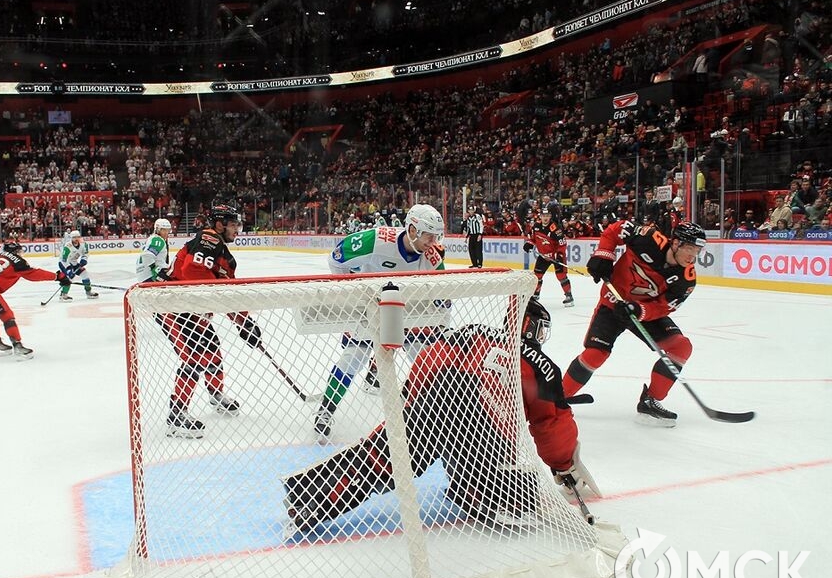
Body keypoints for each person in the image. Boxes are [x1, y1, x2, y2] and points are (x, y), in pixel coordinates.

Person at [283, 298, 600, 534]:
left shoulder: (473, 332)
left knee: (387, 458)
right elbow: (550, 426)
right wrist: (563, 465)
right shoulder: (541, 365)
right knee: (523, 494)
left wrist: (414, 408)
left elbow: (429, 360)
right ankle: (476, 492)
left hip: (437, 393)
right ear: (533, 327)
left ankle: (307, 492)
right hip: (481, 427)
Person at [313, 203, 446, 442]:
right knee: (353, 358)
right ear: (413, 230)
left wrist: (438, 311)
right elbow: (337, 258)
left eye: (437, 235)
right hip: (369, 308)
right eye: (429, 235)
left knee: (426, 359)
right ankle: (326, 409)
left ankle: (439, 413)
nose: (433, 241)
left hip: (407, 312)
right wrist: (353, 293)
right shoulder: (375, 240)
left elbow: (442, 298)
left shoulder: (432, 256)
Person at [562, 221, 707, 427]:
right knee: (596, 353)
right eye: (689, 248)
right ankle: (557, 398)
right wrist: (604, 254)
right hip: (613, 302)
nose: (693, 255)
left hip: (642, 312)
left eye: (698, 250)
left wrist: (641, 311)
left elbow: (665, 306)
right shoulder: (649, 238)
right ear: (675, 243)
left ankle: (650, 401)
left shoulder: (686, 279)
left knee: (681, 346)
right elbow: (614, 230)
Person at [159, 203, 261, 439]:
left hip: (194, 310)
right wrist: (239, 320)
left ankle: (216, 394)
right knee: (193, 359)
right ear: (219, 224)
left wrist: (244, 323)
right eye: (233, 225)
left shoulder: (223, 254)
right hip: (177, 307)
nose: (237, 230)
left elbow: (225, 292)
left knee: (212, 352)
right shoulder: (208, 239)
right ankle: (176, 415)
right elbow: (193, 273)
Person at [0, 241, 71, 359]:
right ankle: (18, 346)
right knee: (7, 315)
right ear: (15, 251)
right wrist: (57, 276)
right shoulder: (17, 261)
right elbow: (33, 274)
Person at [522, 207, 573, 307]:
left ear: (550, 216)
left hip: (555, 256)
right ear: (540, 216)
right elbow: (533, 238)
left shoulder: (555, 228)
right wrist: (529, 243)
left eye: (547, 216)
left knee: (561, 276)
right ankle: (535, 295)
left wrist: (559, 255)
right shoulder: (536, 226)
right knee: (537, 276)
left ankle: (569, 295)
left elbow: (562, 244)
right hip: (543, 256)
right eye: (543, 215)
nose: (545, 218)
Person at [58, 230, 98, 300]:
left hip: (74, 262)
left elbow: (86, 253)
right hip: (64, 263)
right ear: (71, 238)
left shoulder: (83, 244)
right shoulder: (68, 247)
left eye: (78, 237)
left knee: (85, 274)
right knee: (69, 278)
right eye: (74, 237)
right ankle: (63, 294)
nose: (76, 239)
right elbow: (64, 260)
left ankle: (88, 292)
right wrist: (68, 270)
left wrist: (84, 259)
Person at [136, 218, 173, 283]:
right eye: (163, 230)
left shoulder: (152, 238)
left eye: (167, 230)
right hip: (150, 276)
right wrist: (155, 270)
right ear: (157, 230)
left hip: (144, 276)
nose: (166, 233)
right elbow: (147, 255)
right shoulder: (158, 239)